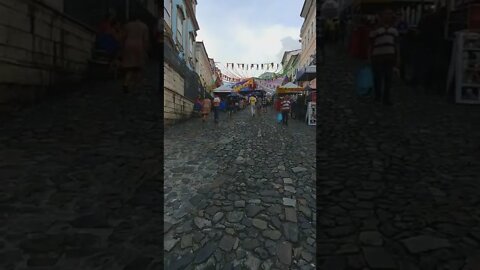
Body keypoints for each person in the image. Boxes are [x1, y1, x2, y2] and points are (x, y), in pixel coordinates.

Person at [368, 8, 399, 106]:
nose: (388, 16)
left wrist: (398, 57)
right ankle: (378, 96)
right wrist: (369, 56)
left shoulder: (394, 30)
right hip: (377, 56)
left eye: (390, 14)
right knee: (378, 77)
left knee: (388, 78)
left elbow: (396, 44)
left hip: (390, 56)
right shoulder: (376, 29)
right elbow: (370, 43)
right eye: (386, 14)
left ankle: (386, 98)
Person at [121, 15, 150, 93]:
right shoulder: (144, 26)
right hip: (139, 46)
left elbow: (123, 37)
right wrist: (146, 50)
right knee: (138, 67)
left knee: (129, 67)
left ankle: (126, 83)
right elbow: (146, 40)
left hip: (128, 45)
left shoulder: (127, 25)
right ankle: (136, 85)